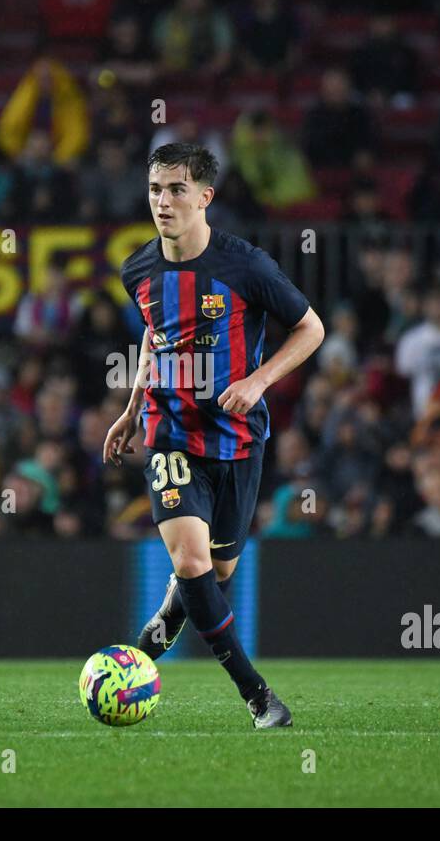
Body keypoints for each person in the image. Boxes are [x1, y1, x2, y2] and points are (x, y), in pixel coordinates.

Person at [102, 143, 325, 728]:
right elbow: (155, 336)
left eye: (177, 189)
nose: (163, 201)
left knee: (216, 573)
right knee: (191, 557)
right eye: (155, 189)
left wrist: (258, 380)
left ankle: (154, 636)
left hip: (237, 440)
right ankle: (259, 697)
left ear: (205, 197)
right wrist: (131, 408)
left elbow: (311, 329)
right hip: (169, 432)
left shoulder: (245, 265)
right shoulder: (137, 270)